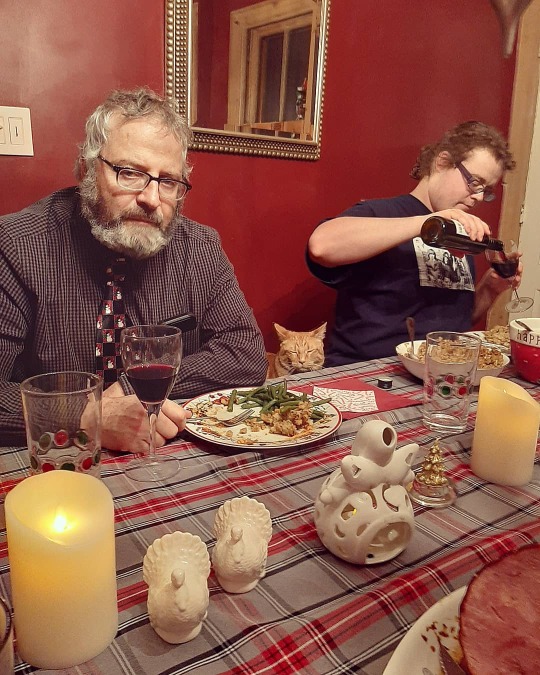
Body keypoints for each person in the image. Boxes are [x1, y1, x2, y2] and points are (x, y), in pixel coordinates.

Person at [0, 87, 267, 451]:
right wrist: (89, 414)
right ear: (86, 170)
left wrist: (130, 390)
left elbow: (246, 352)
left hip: (168, 454)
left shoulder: (201, 248)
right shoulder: (17, 245)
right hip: (58, 458)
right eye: (130, 173)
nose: (151, 198)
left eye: (168, 182)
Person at [307, 120, 519, 366]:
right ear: (442, 162)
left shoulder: (456, 231)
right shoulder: (383, 213)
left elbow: (456, 322)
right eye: (474, 182)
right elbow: (321, 245)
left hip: (437, 377)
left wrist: (490, 289)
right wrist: (425, 223)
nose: (479, 196)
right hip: (370, 375)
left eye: (487, 190)